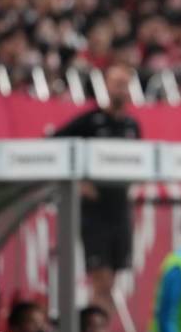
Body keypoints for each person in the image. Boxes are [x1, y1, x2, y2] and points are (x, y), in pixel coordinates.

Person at [53, 63, 141, 314]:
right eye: (117, 84)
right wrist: (79, 182)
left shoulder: (131, 126)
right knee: (100, 279)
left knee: (111, 281)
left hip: (120, 209)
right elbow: (53, 144)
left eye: (125, 85)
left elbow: (140, 160)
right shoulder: (90, 121)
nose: (121, 90)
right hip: (95, 212)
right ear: (106, 85)